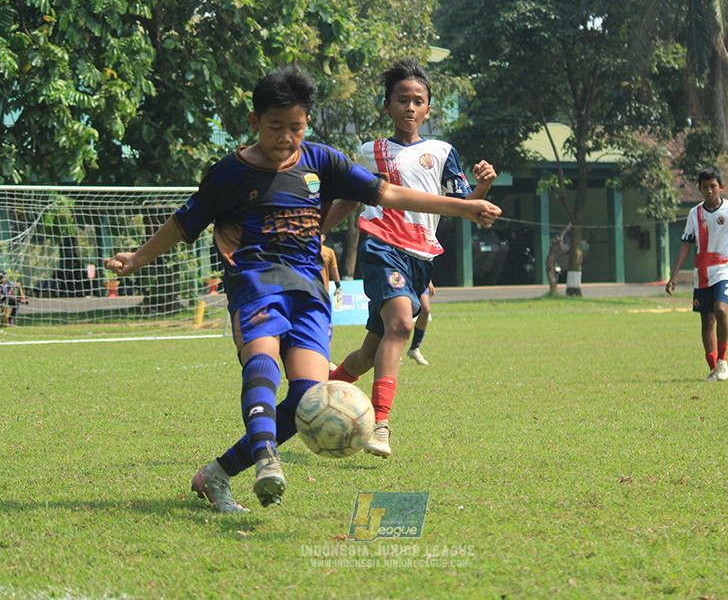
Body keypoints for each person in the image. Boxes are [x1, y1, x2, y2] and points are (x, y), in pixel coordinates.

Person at [105, 67, 501, 513]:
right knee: (262, 366)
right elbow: (184, 222)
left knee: (307, 396)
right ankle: (265, 459)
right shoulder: (229, 173)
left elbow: (388, 195)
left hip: (309, 290)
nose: (286, 138)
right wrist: (136, 258)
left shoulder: (321, 161)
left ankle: (215, 475)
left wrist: (464, 208)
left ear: (306, 123)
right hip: (254, 282)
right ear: (255, 122)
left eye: (295, 128)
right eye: (276, 127)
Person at [325, 58, 497, 458]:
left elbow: (462, 207)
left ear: (428, 109)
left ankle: (317, 398)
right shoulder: (370, 152)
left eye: (418, 101)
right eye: (401, 100)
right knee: (403, 322)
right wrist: (313, 233)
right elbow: (351, 198)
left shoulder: (442, 151)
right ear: (387, 107)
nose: (409, 107)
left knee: (370, 353)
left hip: (420, 258)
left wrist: (483, 188)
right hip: (381, 246)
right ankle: (380, 425)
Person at [666, 166, 728, 381]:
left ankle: (723, 360)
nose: (709, 191)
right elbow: (686, 245)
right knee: (707, 320)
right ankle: (712, 367)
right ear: (699, 188)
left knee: (721, 310)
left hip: (725, 269)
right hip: (702, 272)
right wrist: (674, 276)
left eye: (713, 186)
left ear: (721, 187)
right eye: (705, 187)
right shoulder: (695, 214)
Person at [320, 234, 342, 370]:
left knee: (327, 325)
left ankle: (324, 357)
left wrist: (338, 286)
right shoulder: (305, 248)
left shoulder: (329, 252)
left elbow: (334, 269)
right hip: (308, 292)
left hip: (323, 294)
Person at [406, 282, 434, 365]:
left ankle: (414, 349)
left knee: (425, 310)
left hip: (418, 278)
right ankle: (396, 353)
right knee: (400, 313)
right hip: (402, 277)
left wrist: (429, 281)